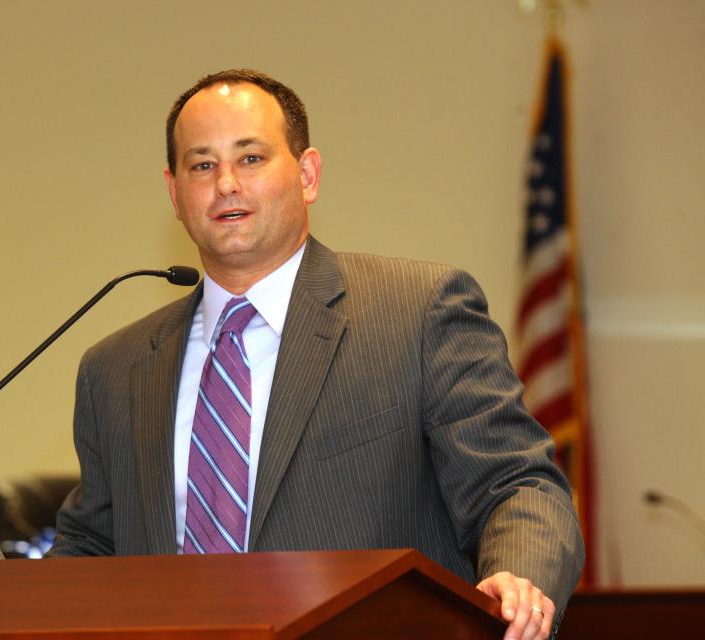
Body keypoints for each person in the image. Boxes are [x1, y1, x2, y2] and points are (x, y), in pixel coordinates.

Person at [49, 69, 584, 640]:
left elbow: (515, 484)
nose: (226, 183)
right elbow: (91, 550)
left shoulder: (417, 313)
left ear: (307, 175)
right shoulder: (115, 369)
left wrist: (518, 575)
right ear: (175, 192)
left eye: (250, 158)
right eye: (202, 165)